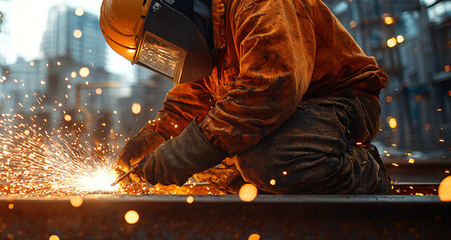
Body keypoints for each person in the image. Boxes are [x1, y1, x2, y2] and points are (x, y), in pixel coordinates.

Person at [100, 0, 392, 194]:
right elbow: (191, 102)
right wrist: (154, 138)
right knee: (217, 167)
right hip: (289, 110)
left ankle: (367, 174)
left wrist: (179, 155)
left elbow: (269, 88)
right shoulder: (209, 36)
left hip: (342, 99)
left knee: (268, 162)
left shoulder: (256, 5)